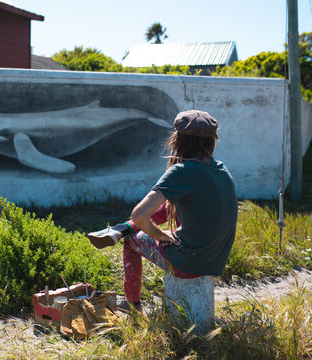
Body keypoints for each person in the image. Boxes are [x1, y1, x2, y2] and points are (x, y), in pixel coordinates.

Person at [88, 110, 238, 312]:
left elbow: (139, 214)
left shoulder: (182, 171)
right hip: (216, 258)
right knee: (171, 206)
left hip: (188, 263)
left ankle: (133, 304)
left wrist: (160, 235)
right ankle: (124, 227)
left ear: (178, 140)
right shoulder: (221, 169)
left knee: (131, 241)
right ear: (212, 141)